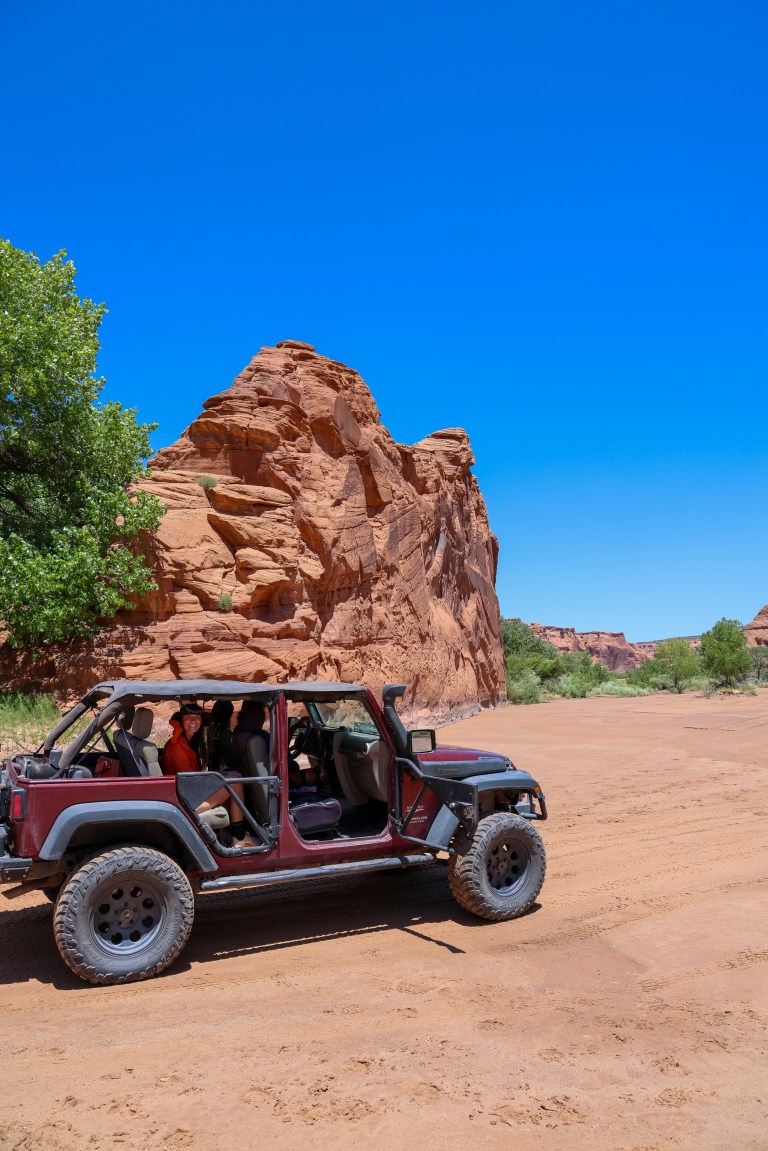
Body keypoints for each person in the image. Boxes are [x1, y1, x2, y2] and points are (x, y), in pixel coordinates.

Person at [162, 703, 257, 848]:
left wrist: (222, 774)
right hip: (185, 801)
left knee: (232, 779)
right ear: (181, 721)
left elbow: (195, 776)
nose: (193, 721)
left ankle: (230, 838)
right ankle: (239, 838)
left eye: (197, 718)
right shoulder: (177, 747)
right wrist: (221, 777)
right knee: (235, 783)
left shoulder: (189, 741)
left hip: (187, 793)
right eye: (188, 718)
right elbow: (191, 781)